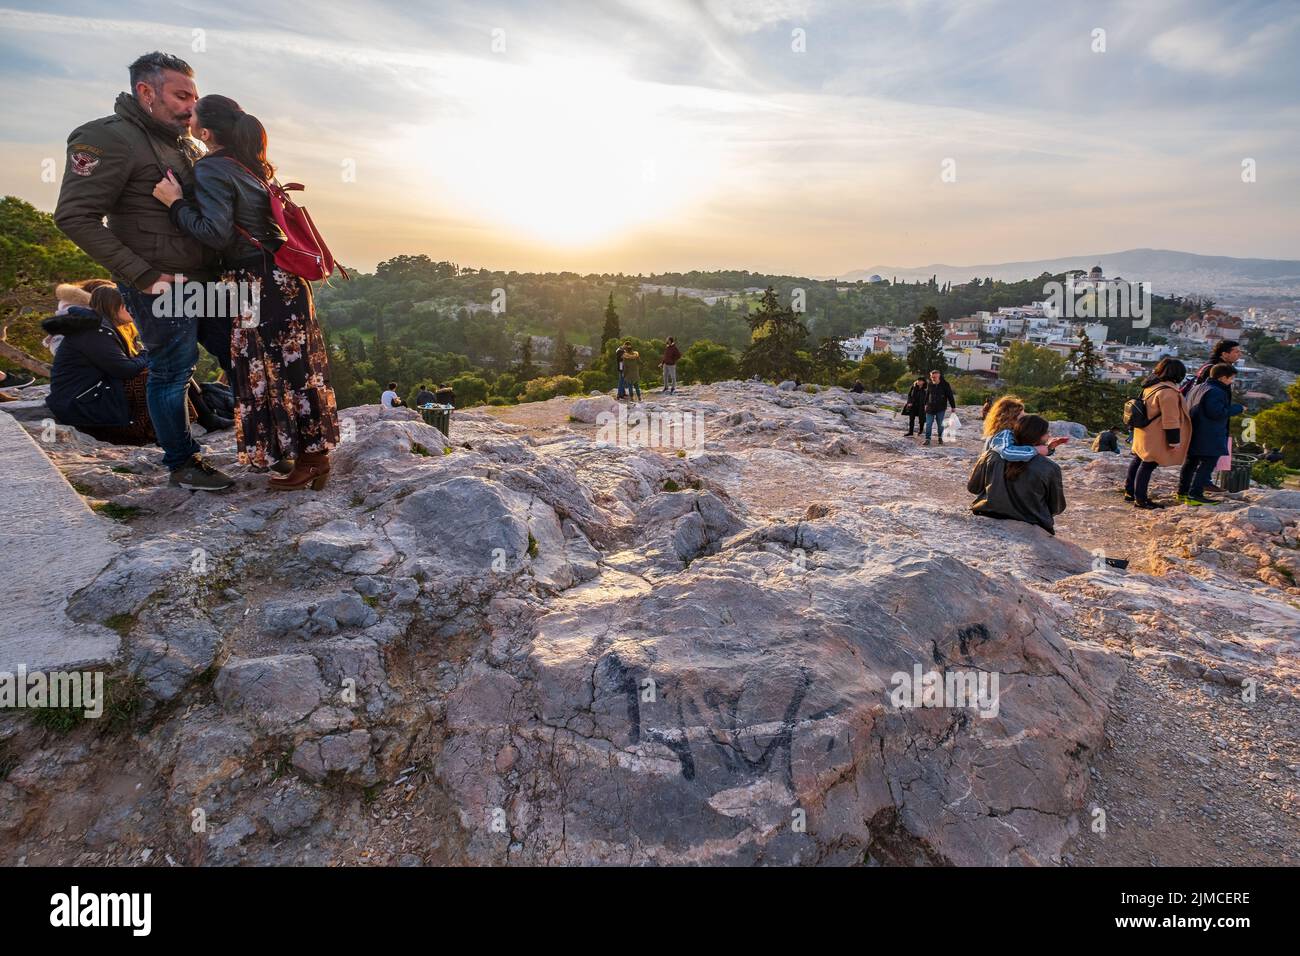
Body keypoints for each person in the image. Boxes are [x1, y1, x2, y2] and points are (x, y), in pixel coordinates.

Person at [54, 52, 233, 491]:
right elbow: (74, 216)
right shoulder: (106, 138)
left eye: (194, 95)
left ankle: (264, 437)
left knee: (240, 354)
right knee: (173, 370)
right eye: (181, 95)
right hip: (160, 284)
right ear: (146, 92)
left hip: (206, 281)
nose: (192, 105)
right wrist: (143, 274)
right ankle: (182, 462)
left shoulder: (183, 143)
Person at [158, 93, 340, 489]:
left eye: (193, 120)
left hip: (257, 284)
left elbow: (216, 233)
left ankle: (307, 459)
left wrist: (175, 204)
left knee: (271, 369)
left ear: (204, 131)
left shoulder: (212, 168)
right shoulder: (256, 168)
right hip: (285, 280)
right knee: (298, 368)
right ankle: (313, 456)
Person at [42, 285, 151, 444]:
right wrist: (146, 354)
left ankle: (168, 428)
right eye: (131, 305)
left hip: (90, 397)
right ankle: (147, 431)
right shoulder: (93, 331)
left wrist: (145, 356)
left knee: (164, 371)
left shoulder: (106, 327)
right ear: (116, 306)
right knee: (155, 377)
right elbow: (125, 370)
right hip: (81, 406)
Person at [967, 414, 1066, 535]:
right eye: (1047, 432)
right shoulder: (1050, 467)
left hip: (987, 513)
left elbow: (973, 488)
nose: (1049, 435)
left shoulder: (990, 455)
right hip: (1032, 523)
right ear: (1037, 438)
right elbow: (1057, 507)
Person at [1125, 357, 1191, 509]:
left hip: (1143, 431)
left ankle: (1129, 492)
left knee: (1138, 460)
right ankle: (1140, 499)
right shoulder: (1168, 393)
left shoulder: (1151, 386)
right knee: (1148, 464)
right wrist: (1174, 441)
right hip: (1155, 434)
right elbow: (1171, 420)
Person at [1180, 363, 1245, 506]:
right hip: (1209, 434)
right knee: (1207, 465)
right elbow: (1216, 413)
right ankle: (1195, 495)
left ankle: (1182, 492)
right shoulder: (1216, 391)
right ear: (1223, 378)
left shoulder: (1198, 387)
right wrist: (1238, 408)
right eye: (1231, 378)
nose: (1231, 382)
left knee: (1190, 463)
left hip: (1194, 431)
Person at [922, 369, 955, 446]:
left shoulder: (945, 384)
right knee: (928, 424)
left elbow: (950, 396)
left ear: (939, 376)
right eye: (932, 377)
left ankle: (940, 438)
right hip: (930, 407)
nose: (933, 378)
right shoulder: (930, 384)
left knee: (940, 424)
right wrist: (925, 404)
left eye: (935, 377)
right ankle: (927, 439)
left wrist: (953, 406)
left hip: (941, 408)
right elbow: (927, 395)